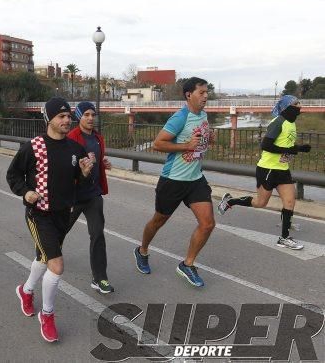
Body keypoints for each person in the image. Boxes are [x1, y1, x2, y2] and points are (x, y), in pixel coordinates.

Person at [7, 97, 94, 343]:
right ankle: (47, 315)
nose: (67, 120)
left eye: (68, 116)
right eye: (61, 116)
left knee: (43, 258)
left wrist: (85, 172)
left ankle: (25, 291)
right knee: (56, 264)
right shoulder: (33, 147)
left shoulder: (74, 149)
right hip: (39, 213)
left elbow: (79, 178)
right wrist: (25, 192)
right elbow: (13, 174)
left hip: (63, 213)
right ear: (49, 119)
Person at [133, 77, 215, 288]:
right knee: (158, 221)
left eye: (207, 92)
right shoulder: (180, 117)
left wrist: (208, 138)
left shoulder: (203, 115)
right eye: (202, 92)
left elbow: (201, 138)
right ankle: (142, 250)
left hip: (195, 178)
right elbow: (158, 143)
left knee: (207, 223)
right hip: (173, 180)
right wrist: (187, 146)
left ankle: (188, 264)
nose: (206, 96)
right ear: (189, 95)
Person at [217, 95, 311, 250]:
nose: (299, 106)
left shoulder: (291, 123)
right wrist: (291, 150)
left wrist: (300, 148)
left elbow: (284, 145)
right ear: (287, 107)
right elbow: (266, 145)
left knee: (289, 201)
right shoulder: (278, 122)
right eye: (296, 103)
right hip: (267, 169)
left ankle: (284, 238)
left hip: (282, 169)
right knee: (260, 203)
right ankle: (230, 201)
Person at [67, 101, 114, 294]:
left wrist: (104, 163)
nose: (90, 118)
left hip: (93, 195)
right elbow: (65, 168)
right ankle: (46, 255)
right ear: (79, 116)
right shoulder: (71, 138)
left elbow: (97, 159)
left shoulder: (98, 138)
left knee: (97, 235)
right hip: (74, 196)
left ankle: (100, 277)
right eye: (86, 114)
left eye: (92, 115)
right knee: (59, 231)